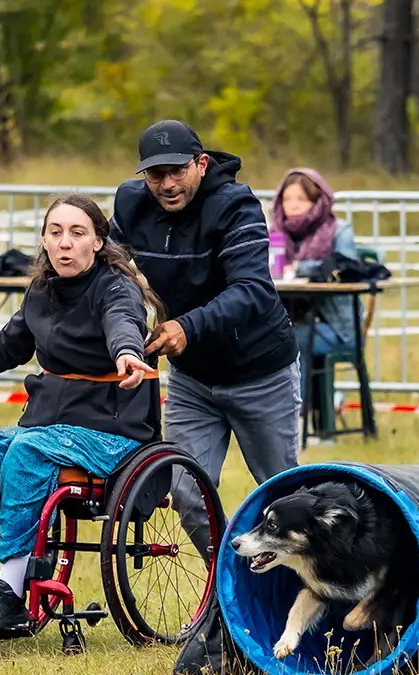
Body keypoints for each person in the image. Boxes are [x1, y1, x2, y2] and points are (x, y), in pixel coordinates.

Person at [0, 193, 162, 639]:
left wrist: (129, 354)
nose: (65, 243)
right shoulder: (42, 290)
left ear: (98, 241)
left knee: (26, 452)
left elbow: (123, 325)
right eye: (55, 232)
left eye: (78, 233)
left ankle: (10, 591)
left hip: (111, 431)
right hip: (47, 426)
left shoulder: (118, 289)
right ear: (43, 239)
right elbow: (3, 347)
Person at [111, 120, 299, 546]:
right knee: (186, 494)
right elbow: (111, 271)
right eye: (156, 175)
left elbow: (251, 289)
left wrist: (185, 325)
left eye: (178, 170)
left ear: (201, 163)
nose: (168, 184)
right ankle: (227, 592)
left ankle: (302, 597)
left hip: (260, 372)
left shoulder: (236, 205)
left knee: (283, 496)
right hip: (192, 380)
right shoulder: (129, 204)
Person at [270, 167, 361, 439]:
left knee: (297, 340)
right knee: (274, 339)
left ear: (316, 200)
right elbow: (273, 272)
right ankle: (271, 421)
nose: (292, 206)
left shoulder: (338, 230)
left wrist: (302, 268)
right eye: (287, 200)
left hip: (339, 327)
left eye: (300, 199)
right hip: (293, 320)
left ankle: (297, 421)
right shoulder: (275, 232)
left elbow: (348, 269)